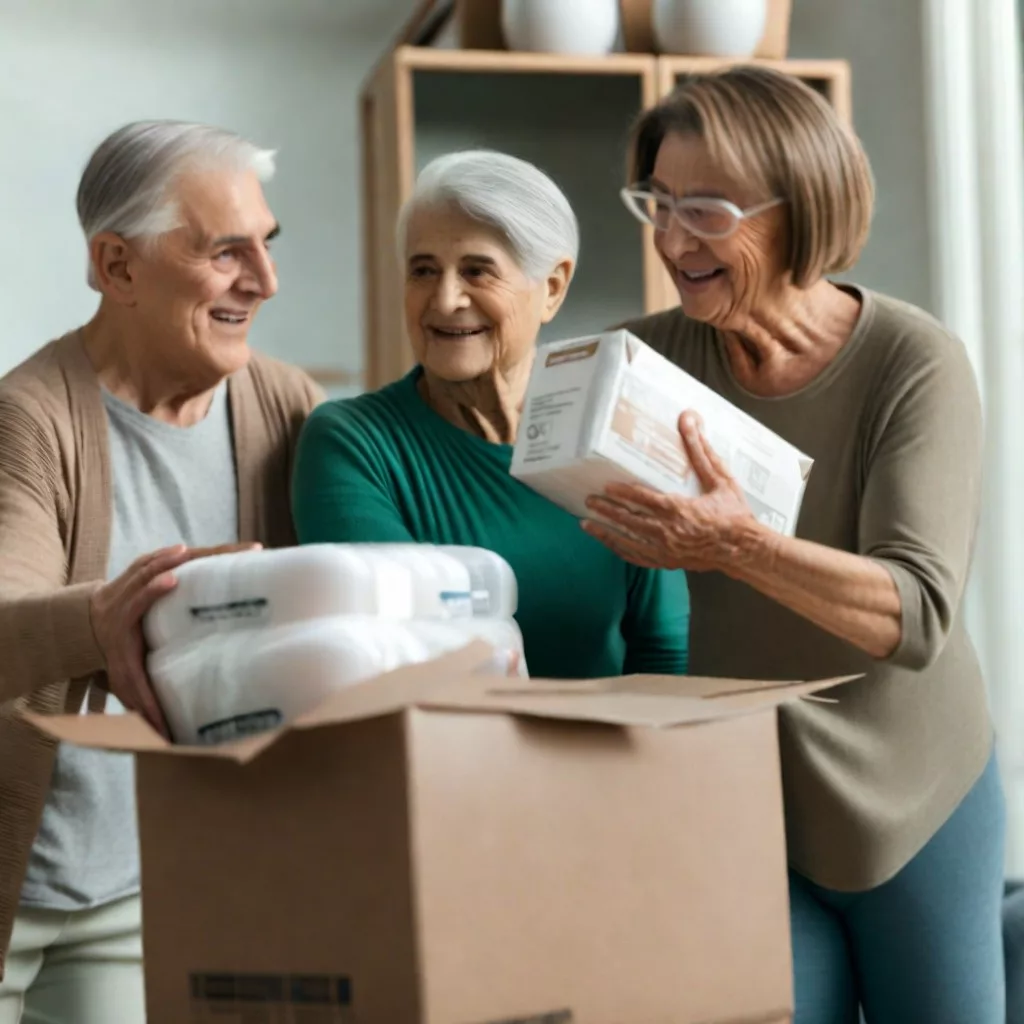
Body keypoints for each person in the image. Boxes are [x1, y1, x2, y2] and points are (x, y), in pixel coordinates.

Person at [581, 66, 1005, 1023]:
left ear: (799, 210)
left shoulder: (913, 361)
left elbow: (917, 612)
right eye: (656, 201)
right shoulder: (644, 364)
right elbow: (516, 480)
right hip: (753, 804)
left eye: (707, 209)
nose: (671, 237)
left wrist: (739, 548)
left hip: (916, 794)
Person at [0, 120, 322, 1022]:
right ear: (117, 267)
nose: (264, 282)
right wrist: (103, 620)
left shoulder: (288, 408)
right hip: (14, 864)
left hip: (131, 891)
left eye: (266, 245)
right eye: (226, 252)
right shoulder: (31, 417)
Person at [291, 150, 689, 681]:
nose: (446, 298)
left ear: (551, 288)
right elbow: (404, 651)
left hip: (614, 755)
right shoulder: (351, 443)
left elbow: (665, 652)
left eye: (477, 271)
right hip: (438, 757)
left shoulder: (617, 440)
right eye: (423, 270)